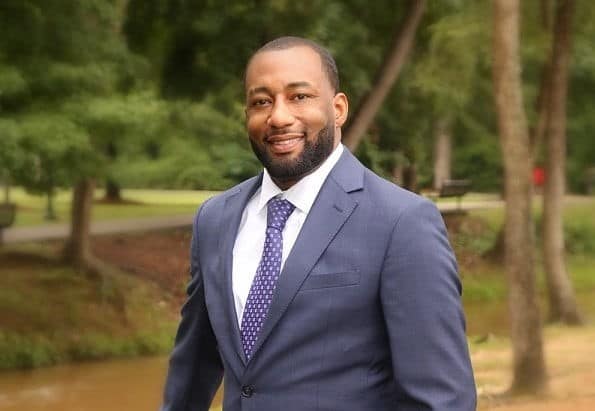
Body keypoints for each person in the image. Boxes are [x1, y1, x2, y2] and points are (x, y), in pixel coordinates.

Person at [160, 36, 476, 411]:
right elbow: (192, 369)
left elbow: (441, 400)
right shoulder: (215, 220)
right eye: (261, 101)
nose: (278, 116)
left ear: (338, 108)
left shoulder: (402, 223)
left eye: (299, 97)